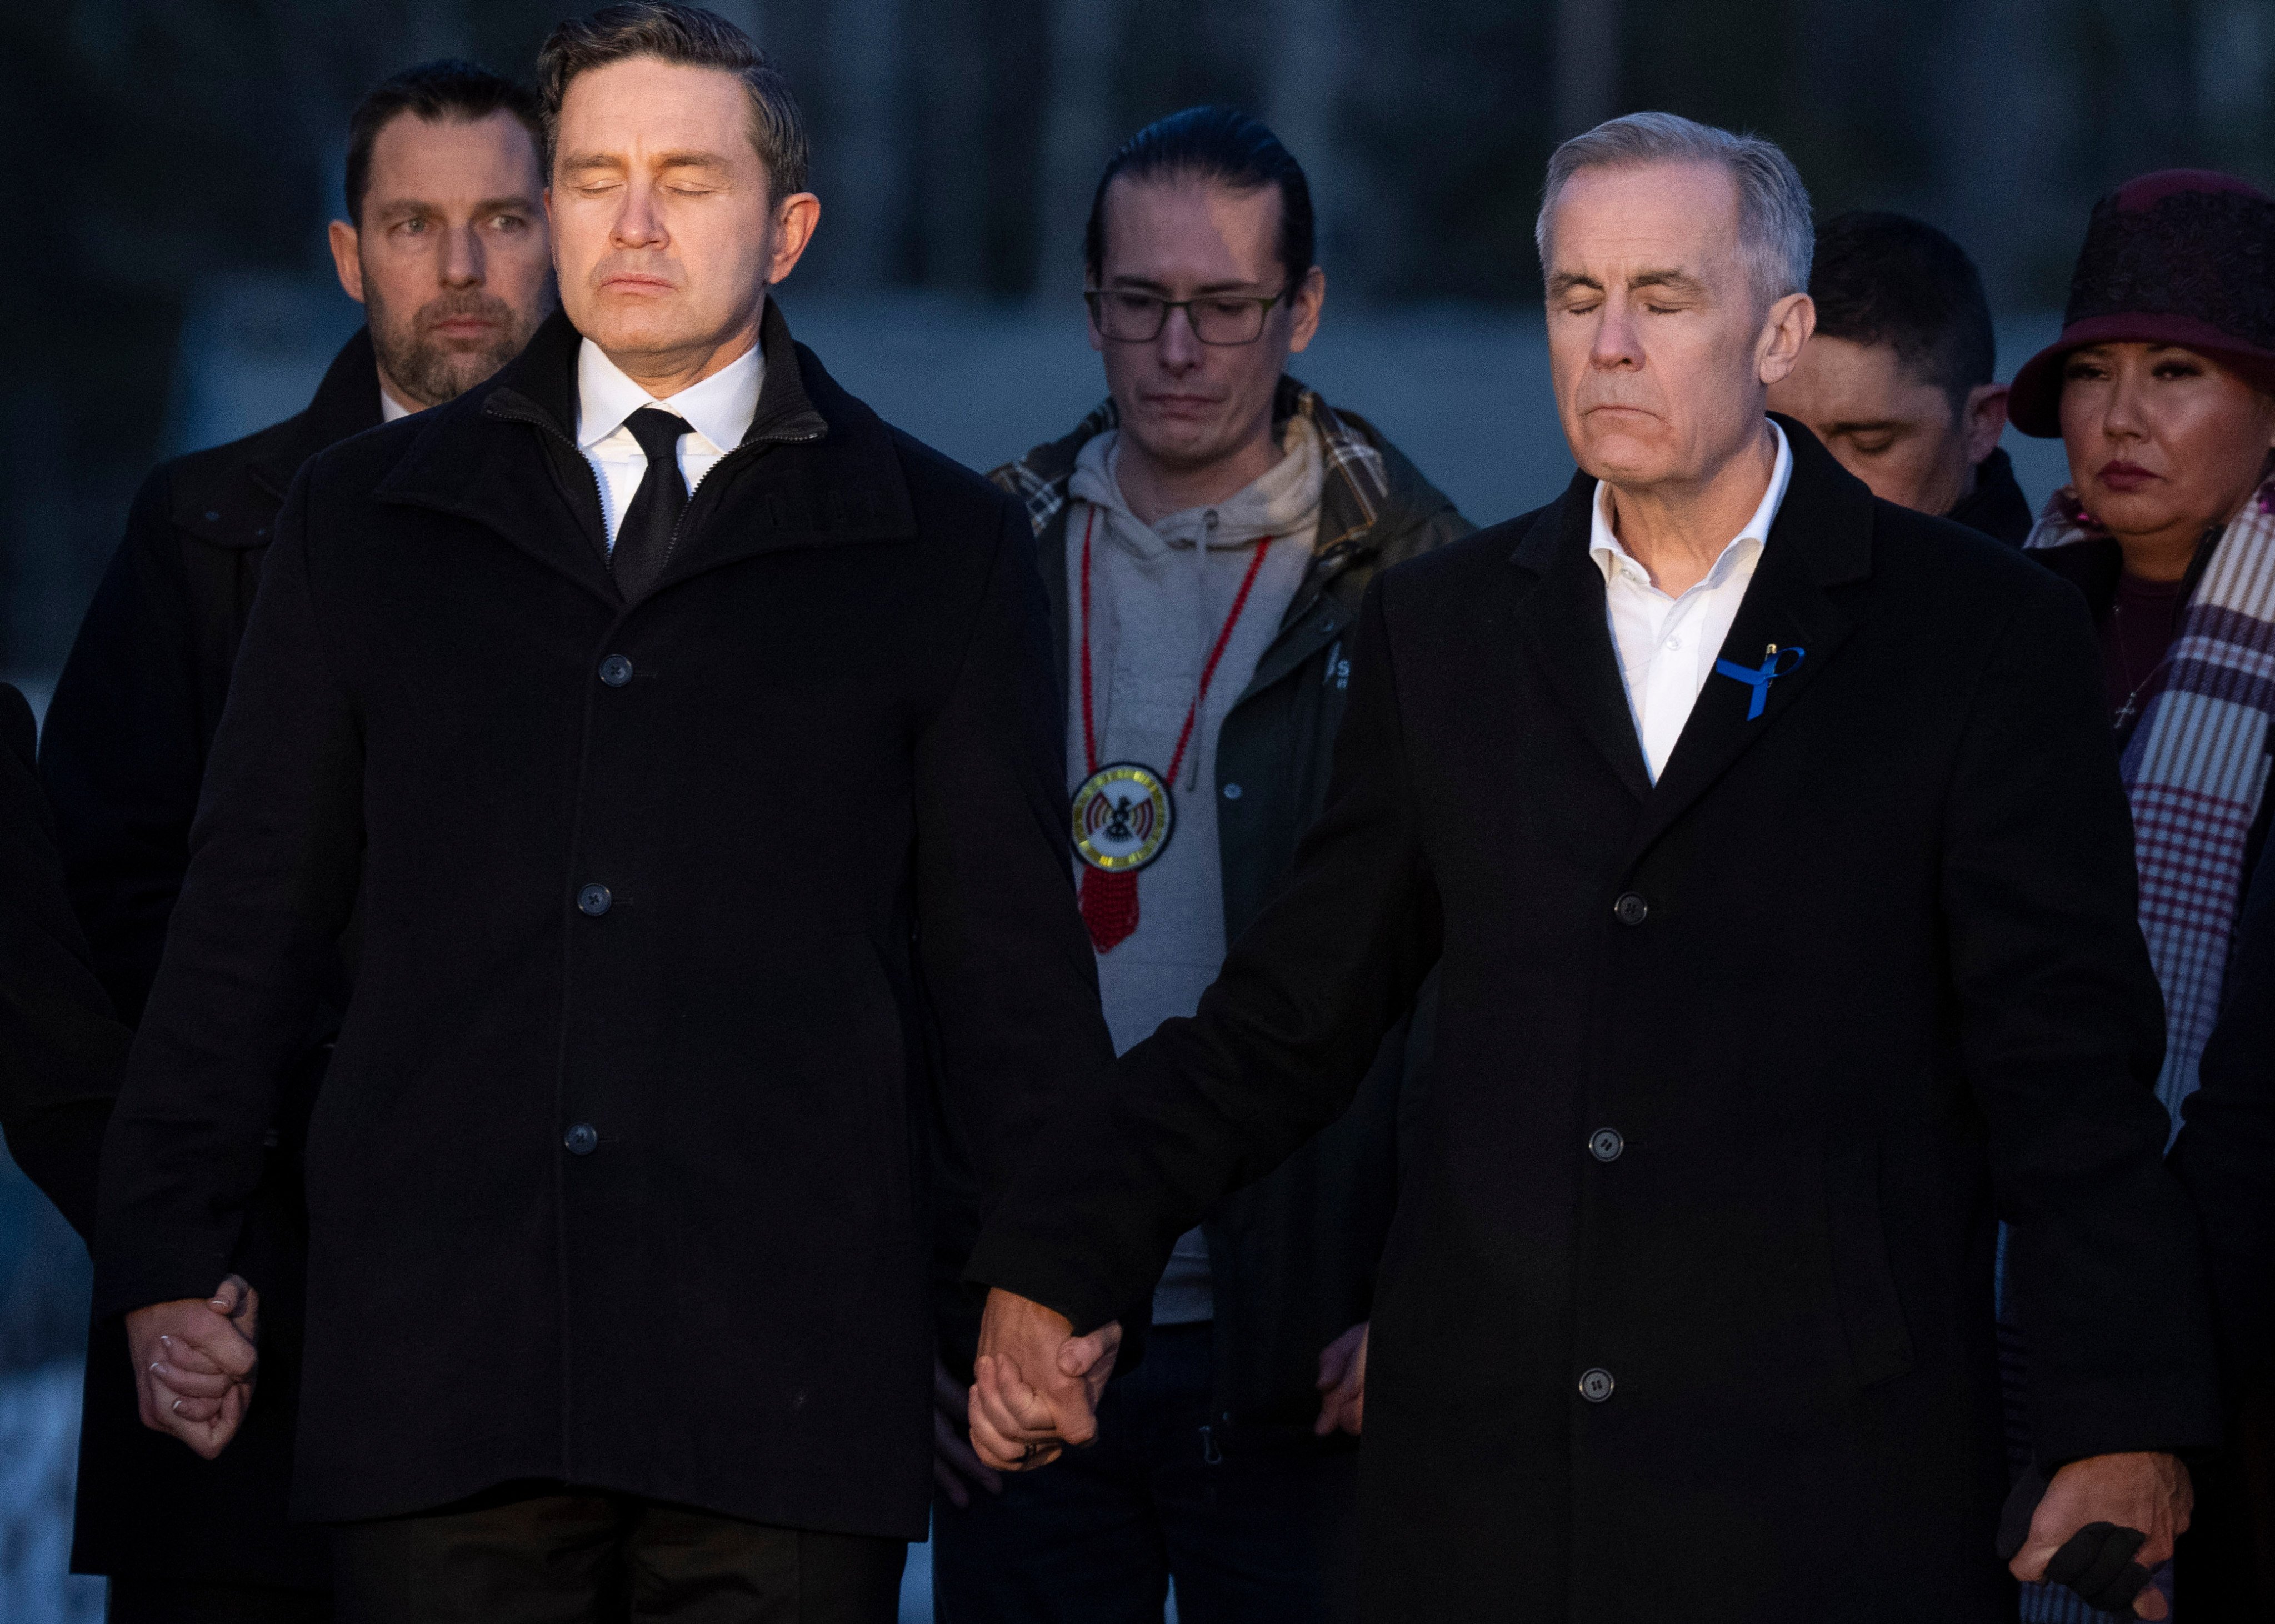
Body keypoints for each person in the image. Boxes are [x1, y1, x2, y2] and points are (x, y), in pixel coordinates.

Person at [959, 111, 2221, 1622]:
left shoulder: (1973, 637)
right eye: (1575, 297)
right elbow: (1286, 1018)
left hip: (1825, 1489)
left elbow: (2067, 1071)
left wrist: (2117, 1416)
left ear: (1779, 332)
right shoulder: (1442, 628)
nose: (1607, 344)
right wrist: (1057, 1245)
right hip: (1482, 1496)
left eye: (1662, 297)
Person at [88, 6, 1109, 1621]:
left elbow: (1007, 970)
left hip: (780, 1391)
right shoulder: (363, 526)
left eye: (686, 180)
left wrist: (1042, 1271)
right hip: (444, 1370)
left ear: (788, 229)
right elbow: (245, 918)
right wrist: (161, 1245)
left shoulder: (940, 544)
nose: (632, 222)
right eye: (594, 176)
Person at [931, 106, 1469, 1624]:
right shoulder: (975, 559)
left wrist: (1420, 1292)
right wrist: (928, 1300)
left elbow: (1471, 981)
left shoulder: (1420, 581)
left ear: (1298, 310)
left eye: (1224, 308)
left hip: (1297, 1335)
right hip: (1019, 1326)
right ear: (1088, 305)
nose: (1178, 349)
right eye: (1140, 305)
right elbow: (887, 947)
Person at [33, 58, 554, 1623]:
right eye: (414, 223)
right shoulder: (206, 534)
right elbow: (86, 927)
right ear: (350, 257)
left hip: (554, 1356)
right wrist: (180, 1248)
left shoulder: (666, 538)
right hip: (253, 1331)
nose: (460, 270)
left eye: (502, 219)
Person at [2010, 168, 2275, 1617]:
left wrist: (2145, 1385)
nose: (2116, 417)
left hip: (2225, 1343)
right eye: (2090, 374)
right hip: (1992, 1282)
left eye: (2173, 371)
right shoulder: (2005, 617)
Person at [1767, 210, 2031, 541]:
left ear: (1981, 423)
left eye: (1869, 443)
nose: (1804, 486)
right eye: (1775, 441)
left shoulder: (2057, 590)